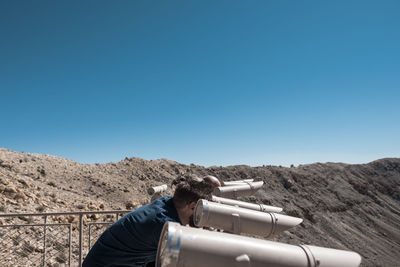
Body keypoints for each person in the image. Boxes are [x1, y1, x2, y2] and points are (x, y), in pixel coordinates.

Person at [83, 175, 221, 267]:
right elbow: (191, 253)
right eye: (202, 209)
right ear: (192, 206)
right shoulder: (162, 224)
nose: (203, 213)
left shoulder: (167, 202)